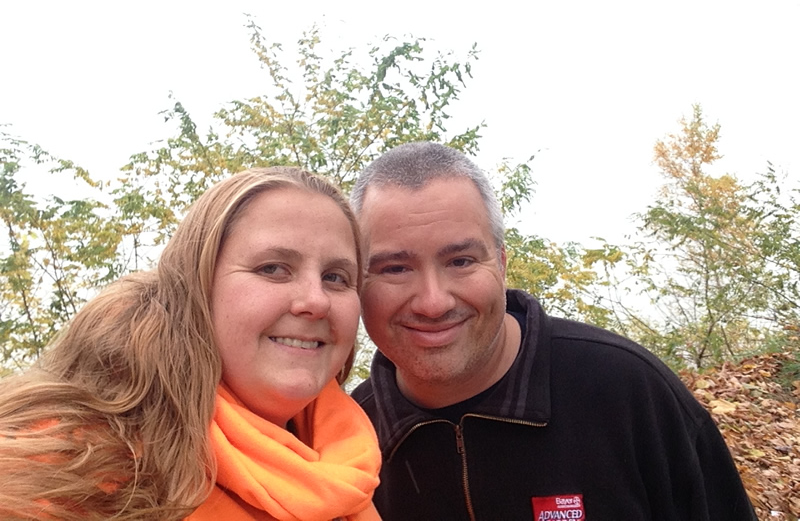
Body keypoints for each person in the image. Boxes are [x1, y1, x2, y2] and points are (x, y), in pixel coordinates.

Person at [349, 142, 756, 521]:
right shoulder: (345, 439)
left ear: (501, 264)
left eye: (461, 261)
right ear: (356, 283)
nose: (433, 302)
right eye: (395, 269)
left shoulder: (628, 391)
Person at [0, 167, 381, 521]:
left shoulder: (351, 466)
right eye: (272, 269)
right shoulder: (62, 470)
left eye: (336, 277)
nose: (316, 300)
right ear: (197, 287)